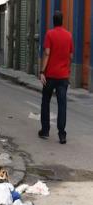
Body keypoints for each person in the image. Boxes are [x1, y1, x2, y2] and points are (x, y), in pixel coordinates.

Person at [39, 11, 73, 144]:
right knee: (62, 104)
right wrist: (66, 68)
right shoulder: (69, 35)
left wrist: (42, 71)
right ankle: (62, 134)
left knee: (45, 102)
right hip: (63, 77)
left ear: (53, 21)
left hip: (50, 76)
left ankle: (45, 130)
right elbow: (70, 56)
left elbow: (47, 53)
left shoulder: (50, 34)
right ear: (62, 21)